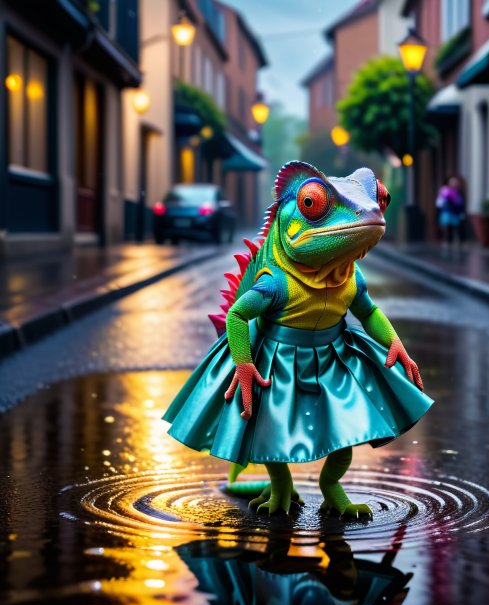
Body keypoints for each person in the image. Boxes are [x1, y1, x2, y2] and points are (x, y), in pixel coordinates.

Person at [162, 161, 434, 519]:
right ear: (288, 220)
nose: (369, 212)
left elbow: (367, 312)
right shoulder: (276, 282)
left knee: (346, 427)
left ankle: (331, 485)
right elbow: (238, 314)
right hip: (279, 360)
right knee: (272, 427)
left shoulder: (351, 277)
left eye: (379, 199)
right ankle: (280, 485)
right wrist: (243, 364)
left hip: (333, 359)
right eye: (312, 204)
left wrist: (393, 341)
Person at [436, 175, 466, 248]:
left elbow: (460, 202)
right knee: (449, 227)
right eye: (452, 182)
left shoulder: (459, 191)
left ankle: (460, 241)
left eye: (455, 183)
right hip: (448, 212)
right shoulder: (445, 191)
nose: (454, 184)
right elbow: (440, 202)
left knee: (458, 227)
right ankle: (449, 241)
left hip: (457, 212)